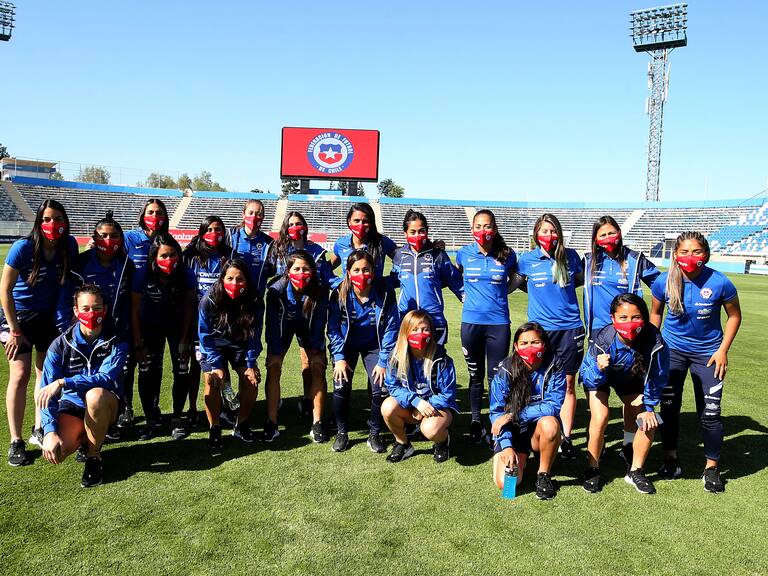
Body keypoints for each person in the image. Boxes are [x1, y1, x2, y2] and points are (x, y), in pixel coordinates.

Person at [650, 232, 741, 493]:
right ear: (675, 255)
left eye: (697, 251)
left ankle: (711, 468)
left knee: (710, 413)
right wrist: (654, 347)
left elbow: (734, 316)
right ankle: (671, 459)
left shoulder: (720, 281)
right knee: (669, 408)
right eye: (685, 252)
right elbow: (656, 314)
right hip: (672, 352)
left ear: (707, 254)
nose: (690, 257)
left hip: (709, 354)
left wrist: (723, 350)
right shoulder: (663, 281)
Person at [1, 199, 78, 466]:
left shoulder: (68, 246)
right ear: (38, 221)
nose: (52, 224)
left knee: (45, 374)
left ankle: (39, 428)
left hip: (48, 319)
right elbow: (5, 290)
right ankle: (15, 441)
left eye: (58, 219)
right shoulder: (23, 247)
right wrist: (13, 330)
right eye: (46, 219)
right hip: (18, 319)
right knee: (19, 375)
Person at [582, 215, 660, 463]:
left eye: (612, 232)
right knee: (597, 398)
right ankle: (596, 447)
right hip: (599, 336)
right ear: (595, 238)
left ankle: (628, 443)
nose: (608, 238)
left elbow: (660, 286)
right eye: (602, 234)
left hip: (631, 337)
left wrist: (653, 326)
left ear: (620, 233)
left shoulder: (635, 260)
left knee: (632, 395)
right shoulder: (588, 261)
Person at [37, 284, 127, 487]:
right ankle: (87, 437)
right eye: (85, 308)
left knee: (94, 395)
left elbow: (106, 377)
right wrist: (49, 431)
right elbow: (46, 393)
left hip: (105, 402)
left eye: (96, 308)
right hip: (72, 405)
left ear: (104, 309)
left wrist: (64, 382)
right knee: (57, 451)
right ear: (76, 311)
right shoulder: (60, 345)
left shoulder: (117, 338)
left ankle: (93, 456)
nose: (91, 313)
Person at [580, 294, 668, 495]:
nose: (630, 323)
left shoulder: (654, 340)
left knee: (648, 419)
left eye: (636, 317)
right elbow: (587, 375)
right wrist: (599, 369)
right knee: (600, 417)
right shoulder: (603, 338)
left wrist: (649, 407)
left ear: (644, 318)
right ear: (613, 318)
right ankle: (592, 468)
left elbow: (659, 376)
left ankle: (635, 470)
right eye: (623, 318)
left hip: (630, 379)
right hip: (599, 379)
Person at [515, 213, 584, 460]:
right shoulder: (526, 260)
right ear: (536, 234)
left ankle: (565, 438)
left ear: (560, 234)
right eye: (544, 231)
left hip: (569, 329)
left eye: (553, 231)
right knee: (535, 381)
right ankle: (534, 431)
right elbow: (516, 284)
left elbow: (578, 281)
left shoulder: (572, 257)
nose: (549, 235)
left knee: (567, 384)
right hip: (539, 331)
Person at [327, 250, 399, 453]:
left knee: (380, 385)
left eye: (366, 269)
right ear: (348, 272)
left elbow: (391, 327)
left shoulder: (384, 291)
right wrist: (339, 357)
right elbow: (332, 328)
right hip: (346, 345)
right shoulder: (339, 292)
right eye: (356, 270)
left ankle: (374, 433)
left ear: (374, 271)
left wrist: (384, 360)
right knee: (340, 385)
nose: (362, 274)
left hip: (374, 345)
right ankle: (342, 432)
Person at [455, 209, 517, 444]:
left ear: (495, 228)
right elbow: (455, 278)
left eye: (488, 226)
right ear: (472, 229)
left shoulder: (507, 255)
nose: (483, 231)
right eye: (479, 226)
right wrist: (463, 294)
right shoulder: (463, 254)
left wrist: (501, 293)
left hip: (498, 324)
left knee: (496, 377)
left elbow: (515, 278)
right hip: (471, 323)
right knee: (475, 376)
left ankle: (495, 422)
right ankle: (475, 421)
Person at [271, 210, 336, 424]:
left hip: (309, 308)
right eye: (291, 224)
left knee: (309, 362)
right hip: (285, 307)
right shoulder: (279, 249)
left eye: (299, 223)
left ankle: (308, 399)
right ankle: (275, 401)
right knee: (276, 358)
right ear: (285, 227)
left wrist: (345, 286)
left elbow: (327, 277)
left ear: (305, 226)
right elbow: (267, 275)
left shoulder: (316, 251)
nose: (296, 227)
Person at [489, 322, 565, 500]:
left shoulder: (555, 365)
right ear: (515, 346)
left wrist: (514, 414)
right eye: (524, 343)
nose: (529, 347)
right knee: (506, 483)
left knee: (551, 424)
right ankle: (516, 456)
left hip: (535, 431)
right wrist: (507, 446)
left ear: (544, 344)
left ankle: (543, 474)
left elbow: (553, 405)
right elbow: (497, 413)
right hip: (512, 431)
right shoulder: (505, 369)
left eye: (535, 342)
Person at [130, 233, 195, 440]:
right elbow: (134, 311)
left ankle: (177, 418)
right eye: (164, 256)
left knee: (181, 370)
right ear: (154, 258)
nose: (169, 260)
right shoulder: (142, 275)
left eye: (173, 255)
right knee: (149, 371)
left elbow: (188, 309)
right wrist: (139, 343)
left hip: (177, 328)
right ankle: (151, 419)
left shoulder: (186, 274)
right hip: (150, 329)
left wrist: (185, 338)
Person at [265, 250, 329, 442]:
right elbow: (272, 324)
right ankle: (271, 422)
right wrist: (275, 350)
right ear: (288, 271)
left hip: (309, 328)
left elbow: (319, 322)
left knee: (317, 366)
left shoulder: (320, 289)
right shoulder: (276, 291)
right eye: (297, 269)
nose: (302, 273)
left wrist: (316, 349)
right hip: (283, 328)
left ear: (313, 270)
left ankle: (317, 422)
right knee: (273, 367)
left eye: (306, 269)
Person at [118, 198, 171, 429]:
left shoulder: (166, 242)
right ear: (142, 215)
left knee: (154, 365)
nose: (155, 216)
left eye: (159, 213)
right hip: (129, 313)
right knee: (128, 365)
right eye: (151, 212)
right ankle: (126, 409)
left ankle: (153, 408)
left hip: (157, 314)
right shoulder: (130, 239)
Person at [198, 259, 262, 447]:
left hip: (240, 345)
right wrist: (216, 365)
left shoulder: (256, 300)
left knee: (252, 381)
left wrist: (251, 364)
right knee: (212, 381)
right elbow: (205, 336)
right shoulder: (209, 299)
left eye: (240, 279)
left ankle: (240, 425)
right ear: (222, 279)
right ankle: (214, 427)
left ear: (247, 281)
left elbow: (254, 336)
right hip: (214, 346)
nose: (235, 284)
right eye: (230, 278)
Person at [381, 310, 456, 463]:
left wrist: (425, 406)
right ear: (405, 332)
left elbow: (448, 394)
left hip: (436, 407)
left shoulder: (442, 358)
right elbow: (392, 387)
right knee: (387, 407)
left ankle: (442, 442)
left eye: (425, 329)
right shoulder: (395, 356)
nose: (420, 334)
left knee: (430, 430)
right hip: (411, 405)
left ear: (431, 332)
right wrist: (416, 402)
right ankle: (403, 443)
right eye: (415, 329)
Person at [181, 216, 231, 438]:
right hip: (195, 318)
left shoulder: (228, 254)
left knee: (221, 361)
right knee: (197, 365)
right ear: (201, 232)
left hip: (222, 318)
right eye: (209, 229)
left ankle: (225, 405)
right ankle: (193, 408)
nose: (214, 233)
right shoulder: (191, 256)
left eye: (218, 229)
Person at [389, 209, 463, 346]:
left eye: (421, 231)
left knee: (436, 362)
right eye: (413, 232)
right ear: (405, 233)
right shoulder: (400, 256)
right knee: (407, 363)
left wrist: (470, 300)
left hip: (434, 318)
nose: (417, 235)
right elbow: (394, 280)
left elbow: (455, 281)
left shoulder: (438, 255)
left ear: (427, 231)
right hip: (407, 319)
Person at [329, 202, 397, 284]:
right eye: (356, 220)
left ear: (371, 223)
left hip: (375, 296)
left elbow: (403, 259)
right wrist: (338, 283)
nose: (360, 225)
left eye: (365, 221)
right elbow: (326, 268)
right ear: (349, 221)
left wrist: (387, 282)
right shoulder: (341, 244)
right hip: (348, 296)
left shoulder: (382, 242)